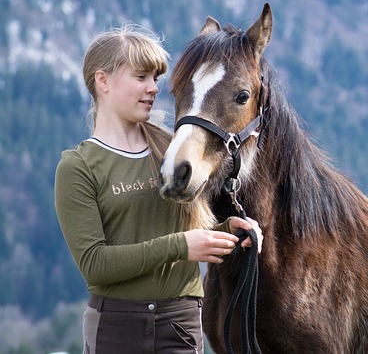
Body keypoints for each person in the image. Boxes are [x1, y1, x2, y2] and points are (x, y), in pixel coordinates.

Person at [54, 24, 262, 354]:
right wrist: (181, 246)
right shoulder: (78, 167)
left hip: (180, 324)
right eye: (141, 77)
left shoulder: (173, 153)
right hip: (115, 327)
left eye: (155, 78)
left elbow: (190, 230)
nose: (153, 88)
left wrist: (227, 232)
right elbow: (95, 264)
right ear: (102, 81)